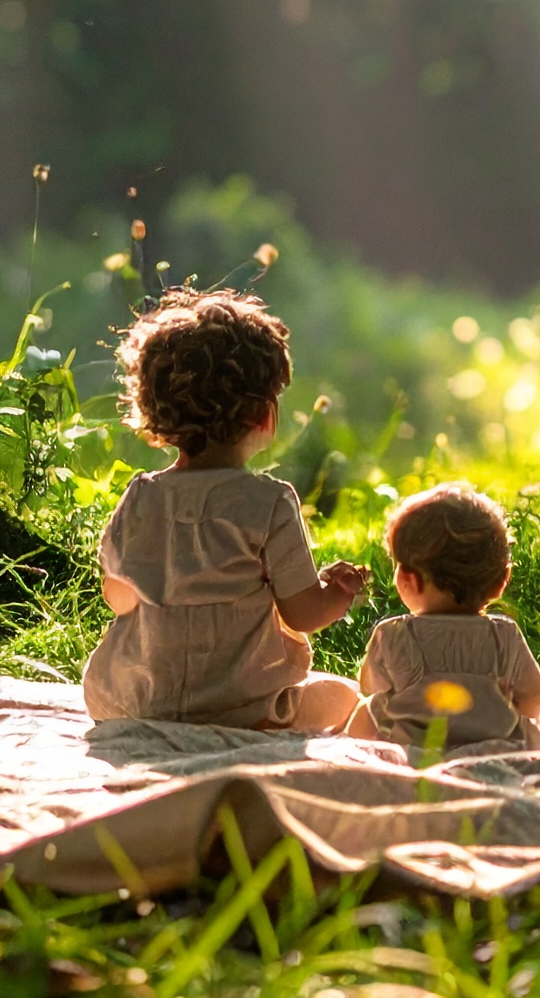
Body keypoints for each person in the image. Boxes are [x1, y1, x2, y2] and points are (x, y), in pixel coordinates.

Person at [82, 286, 367, 731]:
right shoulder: (269, 502)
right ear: (262, 415)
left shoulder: (140, 496)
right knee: (344, 694)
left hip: (141, 704)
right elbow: (305, 615)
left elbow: (118, 598)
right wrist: (338, 592)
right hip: (244, 711)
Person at [345, 484, 540, 754]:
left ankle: (359, 754)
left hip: (416, 748)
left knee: (367, 709)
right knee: (526, 726)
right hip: (494, 745)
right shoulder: (504, 635)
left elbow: (370, 687)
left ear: (408, 580)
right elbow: (533, 697)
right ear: (501, 582)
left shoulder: (393, 635)